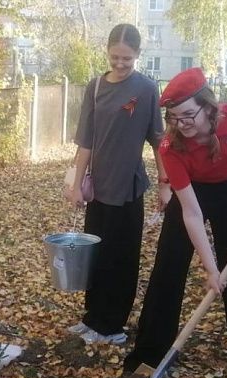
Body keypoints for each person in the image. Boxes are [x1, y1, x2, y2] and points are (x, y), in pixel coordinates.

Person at [123, 67, 227, 373]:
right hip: (193, 193)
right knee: (169, 266)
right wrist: (210, 269)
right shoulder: (171, 147)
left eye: (188, 116)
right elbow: (192, 213)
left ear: (208, 107)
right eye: (174, 118)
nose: (181, 125)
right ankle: (152, 352)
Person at [64, 23, 166, 345]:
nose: (120, 64)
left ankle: (112, 327)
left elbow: (158, 141)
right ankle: (92, 319)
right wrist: (76, 184)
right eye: (115, 57)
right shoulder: (95, 87)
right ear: (107, 52)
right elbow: (85, 143)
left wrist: (166, 183)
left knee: (120, 259)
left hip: (127, 190)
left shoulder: (147, 89)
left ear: (137, 55)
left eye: (127, 58)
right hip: (98, 190)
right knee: (96, 256)